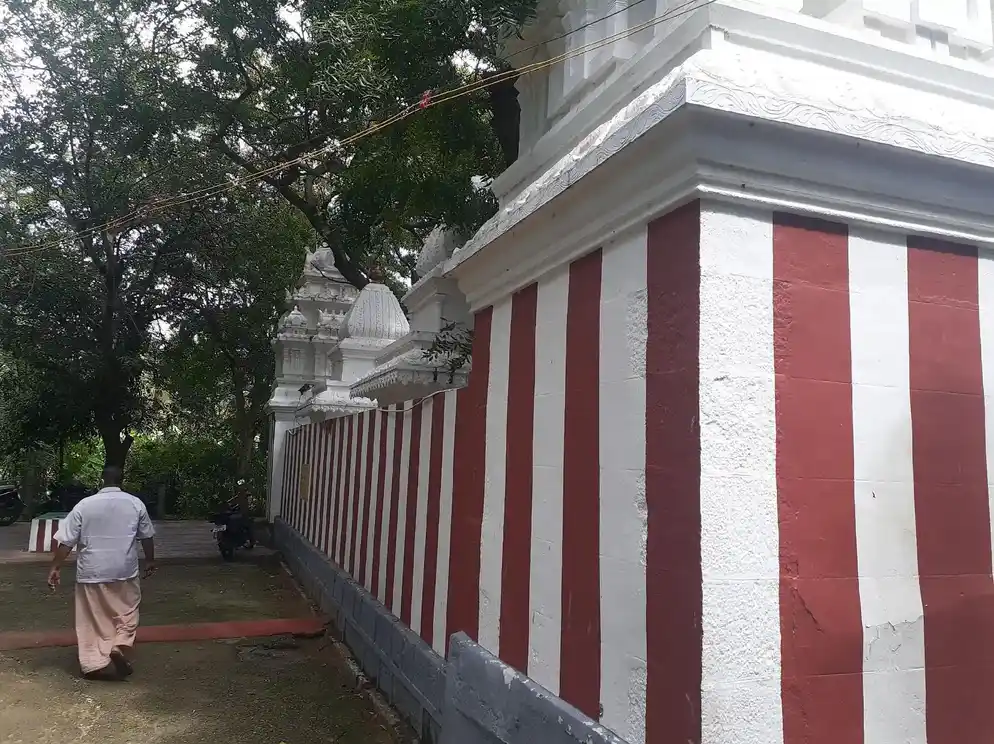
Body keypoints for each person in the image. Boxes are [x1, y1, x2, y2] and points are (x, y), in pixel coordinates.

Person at [47, 466, 156, 681]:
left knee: (92, 618)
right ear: (121, 480)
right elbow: (147, 536)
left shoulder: (84, 505)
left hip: (91, 571)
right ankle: (119, 644)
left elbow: (66, 541)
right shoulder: (135, 503)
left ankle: (93, 664)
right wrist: (150, 560)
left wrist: (55, 567)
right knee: (127, 611)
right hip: (123, 570)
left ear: (102, 480)